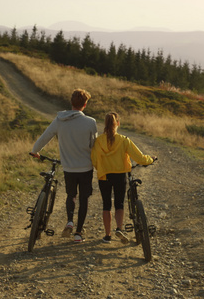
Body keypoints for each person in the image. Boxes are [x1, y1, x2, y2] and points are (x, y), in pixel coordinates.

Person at [31, 89, 98, 243]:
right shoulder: (90, 122)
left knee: (71, 195)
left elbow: (45, 136)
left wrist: (35, 151)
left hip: (68, 168)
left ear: (71, 102)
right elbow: (94, 144)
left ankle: (69, 221)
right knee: (84, 199)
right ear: (85, 104)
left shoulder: (59, 120)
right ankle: (78, 233)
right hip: (86, 167)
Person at [91, 112, 156, 244]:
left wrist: (102, 168)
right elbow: (139, 158)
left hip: (104, 176)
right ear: (118, 123)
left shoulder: (99, 141)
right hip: (120, 175)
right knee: (119, 203)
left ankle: (107, 235)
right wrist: (151, 159)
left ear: (105, 124)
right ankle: (119, 228)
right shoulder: (124, 140)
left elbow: (94, 159)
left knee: (106, 205)